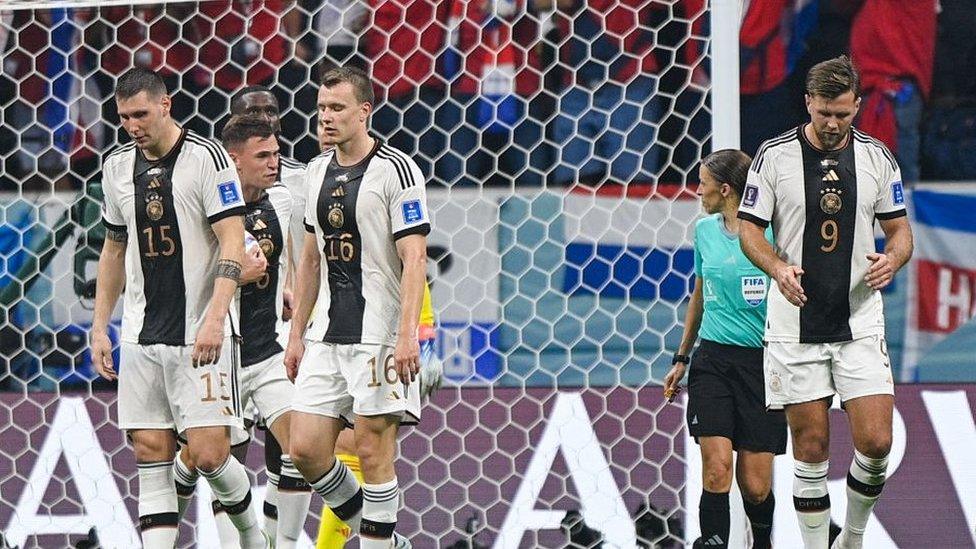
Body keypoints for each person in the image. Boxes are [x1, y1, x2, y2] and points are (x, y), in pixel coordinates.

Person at [737, 55, 914, 549]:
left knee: (877, 443)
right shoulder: (773, 156)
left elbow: (901, 233)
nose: (833, 124)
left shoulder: (878, 158)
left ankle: (851, 539)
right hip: (794, 323)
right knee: (811, 448)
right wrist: (776, 267)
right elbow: (750, 228)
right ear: (808, 103)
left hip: (858, 318)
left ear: (856, 105)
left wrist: (892, 260)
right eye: (824, 114)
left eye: (843, 113)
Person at [89, 68, 267, 548]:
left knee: (209, 455)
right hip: (142, 334)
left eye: (141, 114)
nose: (132, 126)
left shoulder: (207, 159)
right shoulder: (115, 166)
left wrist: (215, 316)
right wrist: (100, 327)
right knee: (151, 451)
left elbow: (232, 240)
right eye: (124, 117)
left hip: (199, 332)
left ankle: (253, 536)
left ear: (165, 106)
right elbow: (112, 248)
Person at [284, 65, 429, 549]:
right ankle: (385, 534)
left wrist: (407, 335)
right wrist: (297, 333)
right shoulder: (313, 172)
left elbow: (414, 258)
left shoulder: (398, 170)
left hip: (379, 333)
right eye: (322, 107)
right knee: (303, 448)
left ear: (364, 112)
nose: (325, 117)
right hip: (327, 331)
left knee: (372, 449)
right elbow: (308, 260)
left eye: (337, 108)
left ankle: (376, 543)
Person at [171, 115, 312, 549]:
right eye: (263, 156)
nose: (275, 163)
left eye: (276, 153)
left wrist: (286, 285)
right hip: (221, 356)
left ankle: (281, 542)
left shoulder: (283, 200)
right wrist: (233, 276)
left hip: (268, 352)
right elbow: (182, 271)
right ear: (233, 159)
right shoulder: (201, 207)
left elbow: (294, 254)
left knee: (303, 447)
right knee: (213, 461)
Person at [663, 149, 786, 549]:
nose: (698, 191)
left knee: (755, 486)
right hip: (713, 361)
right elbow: (699, 295)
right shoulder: (704, 231)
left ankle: (762, 543)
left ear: (727, 189)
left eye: (703, 183)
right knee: (716, 470)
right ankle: (713, 541)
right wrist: (681, 357)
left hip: (762, 365)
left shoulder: (773, 233)